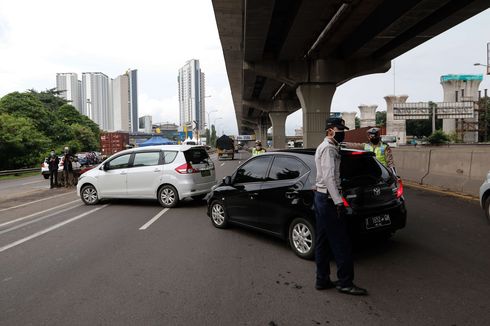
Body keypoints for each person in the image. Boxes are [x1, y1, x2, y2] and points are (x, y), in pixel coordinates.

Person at [314, 117, 367, 295]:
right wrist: (338, 202)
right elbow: (329, 178)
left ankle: (322, 279)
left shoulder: (327, 146)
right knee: (341, 243)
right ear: (330, 130)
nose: (342, 132)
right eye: (339, 129)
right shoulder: (328, 148)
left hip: (321, 197)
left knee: (322, 242)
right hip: (329, 200)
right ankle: (345, 282)